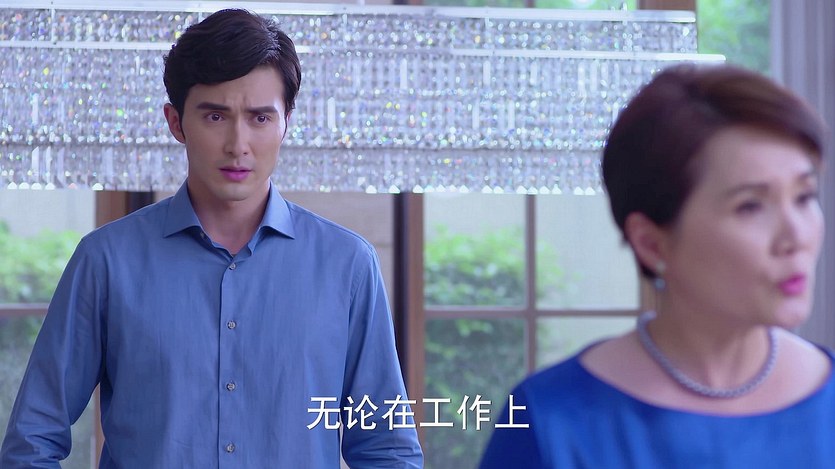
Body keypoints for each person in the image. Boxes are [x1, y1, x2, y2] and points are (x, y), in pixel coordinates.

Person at [0, 9, 422, 468]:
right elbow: (32, 442)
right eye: (216, 116)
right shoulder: (106, 261)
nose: (238, 144)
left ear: (286, 122)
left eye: (260, 118)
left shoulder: (347, 265)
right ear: (176, 122)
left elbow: (388, 449)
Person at [480, 63, 833, 468]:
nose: (796, 237)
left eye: (805, 197)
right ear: (651, 243)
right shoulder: (549, 421)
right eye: (750, 206)